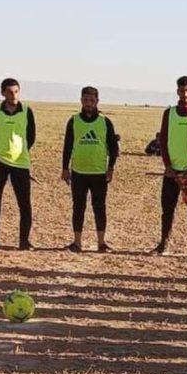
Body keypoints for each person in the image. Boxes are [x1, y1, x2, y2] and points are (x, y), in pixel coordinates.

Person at [153, 75, 187, 260]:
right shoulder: (168, 114)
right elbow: (163, 140)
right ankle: (163, 243)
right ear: (177, 91)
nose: (185, 94)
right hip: (172, 172)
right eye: (182, 90)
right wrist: (167, 165)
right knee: (167, 209)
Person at [61, 86, 119, 254]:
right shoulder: (73, 121)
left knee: (99, 207)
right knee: (78, 207)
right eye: (86, 100)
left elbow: (113, 147)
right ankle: (77, 242)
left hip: (99, 173)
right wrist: (65, 168)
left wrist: (111, 168)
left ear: (97, 101)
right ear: (81, 100)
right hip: (79, 172)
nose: (88, 103)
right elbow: (67, 146)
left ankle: (101, 242)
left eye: (92, 100)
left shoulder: (105, 122)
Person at [0, 78, 37, 251]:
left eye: (16, 91)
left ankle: (24, 241)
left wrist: (20, 151)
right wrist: (1, 150)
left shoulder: (27, 111)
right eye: (9, 92)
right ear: (3, 93)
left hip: (20, 163)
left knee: (24, 203)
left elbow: (31, 136)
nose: (13, 95)